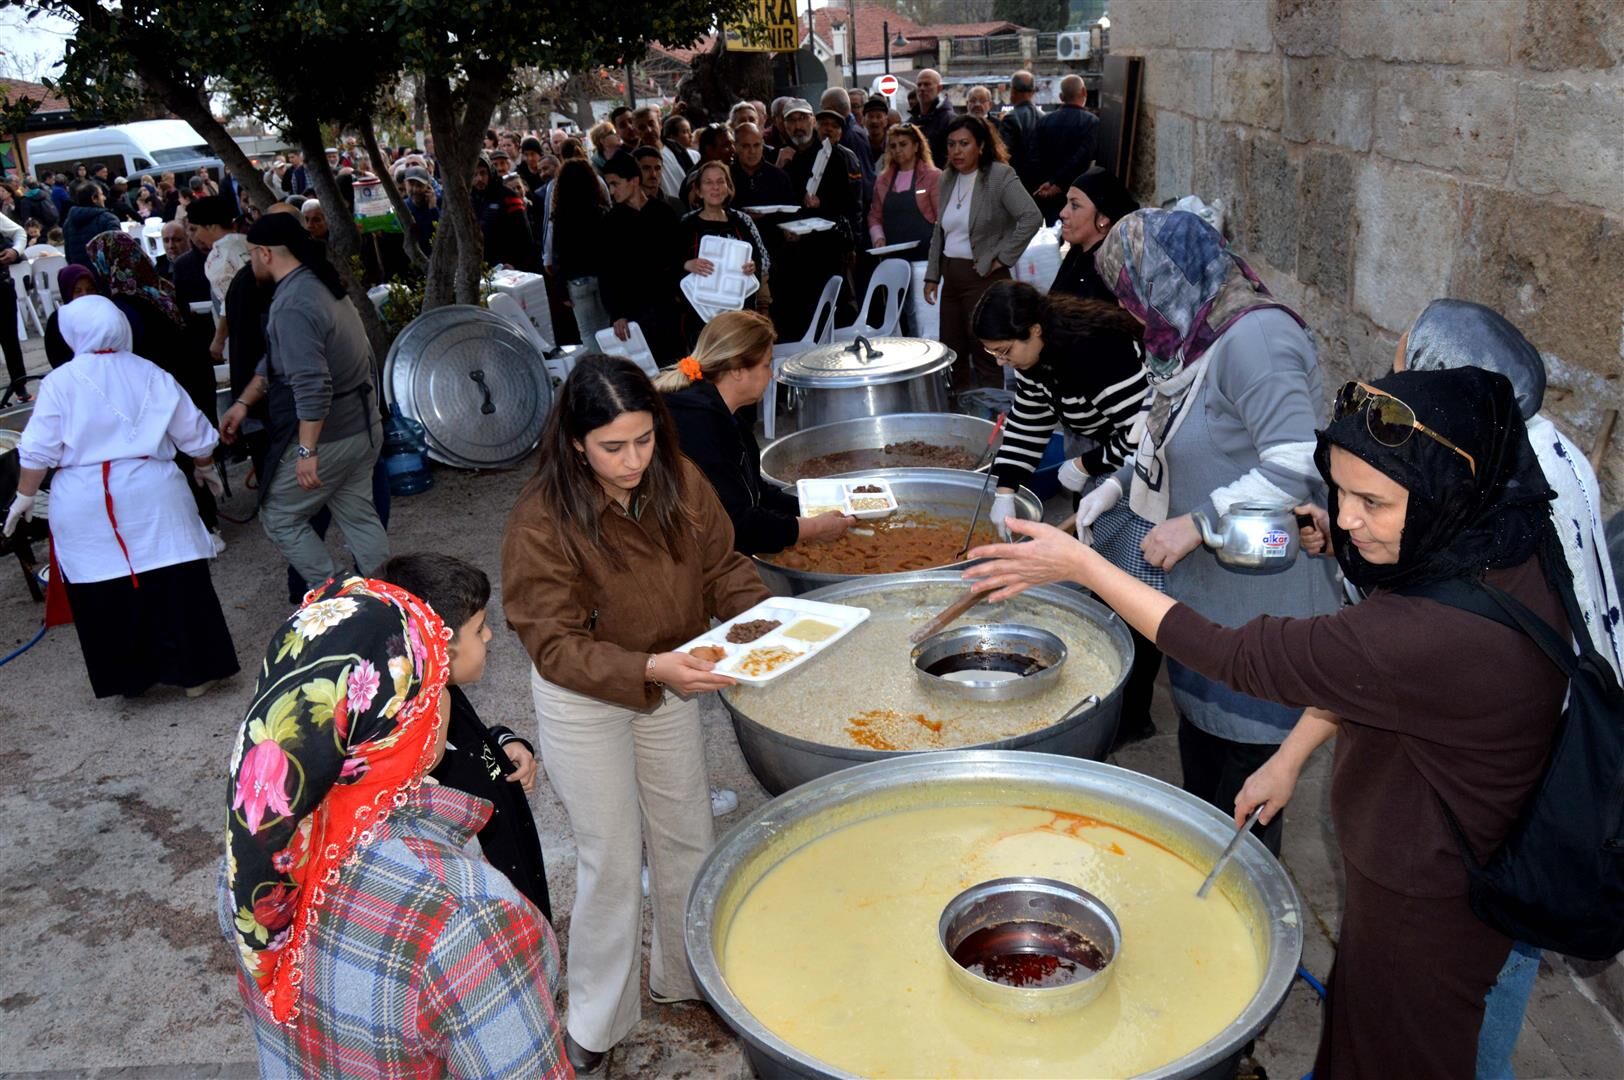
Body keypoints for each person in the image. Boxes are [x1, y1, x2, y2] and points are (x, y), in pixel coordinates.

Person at [501, 355, 771, 1073]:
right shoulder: (543, 516)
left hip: (668, 676)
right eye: (612, 447)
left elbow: (723, 566)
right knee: (611, 856)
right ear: (575, 443)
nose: (631, 461)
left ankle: (685, 978)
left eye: (644, 440)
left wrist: (768, 624)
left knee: (688, 831)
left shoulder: (678, 480)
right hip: (588, 692)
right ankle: (596, 1016)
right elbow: (551, 640)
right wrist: (648, 668)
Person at [220, 576, 569, 1077]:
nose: (445, 695)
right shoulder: (468, 917)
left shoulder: (252, 861)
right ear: (404, 725)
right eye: (434, 684)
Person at [1076, 208, 1341, 852]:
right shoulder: (1187, 337)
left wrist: (1194, 523)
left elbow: (1295, 461)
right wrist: (1114, 485)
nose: (1136, 314)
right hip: (1206, 595)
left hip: (1261, 595)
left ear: (1166, 278)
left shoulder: (1256, 340)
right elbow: (1160, 428)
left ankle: (1253, 924)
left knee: (1245, 799)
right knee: (1203, 775)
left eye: (1135, 296)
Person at [5, 296, 238, 698]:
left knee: (103, 588)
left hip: (83, 499)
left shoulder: (59, 382)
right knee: (174, 581)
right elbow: (196, 434)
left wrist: (25, 495)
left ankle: (131, 679)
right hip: (152, 489)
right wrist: (203, 466)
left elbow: (38, 450)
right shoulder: (151, 372)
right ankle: (196, 672)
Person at [220, 212, 389, 588]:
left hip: (333, 436)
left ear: (265, 253)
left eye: (250, 256)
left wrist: (306, 451)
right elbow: (280, 360)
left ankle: (339, 597)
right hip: (364, 425)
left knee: (279, 515)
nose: (250, 264)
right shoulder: (320, 283)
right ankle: (388, 599)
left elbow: (313, 384)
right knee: (358, 515)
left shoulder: (294, 301)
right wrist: (244, 402)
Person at [380, 553, 553, 920]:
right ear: (436, 645)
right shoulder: (419, 757)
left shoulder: (442, 695)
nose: (489, 635)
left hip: (519, 886)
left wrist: (505, 742)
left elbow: (473, 746)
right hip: (493, 919)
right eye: (479, 629)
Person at [658, 310, 852, 554]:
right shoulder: (697, 425)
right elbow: (738, 526)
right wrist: (813, 528)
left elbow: (756, 494)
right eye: (766, 364)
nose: (771, 374)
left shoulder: (725, 414)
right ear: (738, 369)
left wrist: (821, 507)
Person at [85, 230, 222, 537]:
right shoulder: (159, 286)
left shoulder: (123, 303)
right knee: (192, 449)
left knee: (174, 458)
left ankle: (200, 526)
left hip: (160, 386)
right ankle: (209, 521)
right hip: (192, 376)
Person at [923, 115, 1042, 391]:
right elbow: (940, 231)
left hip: (984, 275)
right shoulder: (947, 179)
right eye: (951, 144)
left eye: (964, 144)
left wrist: (1002, 258)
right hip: (951, 276)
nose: (956, 151)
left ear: (981, 145)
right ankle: (959, 416)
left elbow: (1031, 217)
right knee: (951, 353)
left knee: (986, 351)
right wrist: (932, 275)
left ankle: (992, 419)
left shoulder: (999, 176)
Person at [597, 153, 683, 365]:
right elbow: (607, 273)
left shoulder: (664, 213)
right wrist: (617, 313)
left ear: (634, 181)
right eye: (609, 185)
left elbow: (677, 258)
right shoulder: (610, 222)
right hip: (632, 313)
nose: (612, 191)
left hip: (666, 309)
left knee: (673, 369)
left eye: (615, 183)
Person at [676, 162, 769, 339]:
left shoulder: (741, 222)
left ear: (728, 187)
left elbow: (758, 260)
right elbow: (670, 265)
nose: (715, 188)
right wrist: (687, 264)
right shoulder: (687, 226)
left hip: (739, 314)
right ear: (698, 190)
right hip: (701, 316)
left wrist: (752, 267)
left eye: (720, 181)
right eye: (708, 183)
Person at [547, 158, 612, 343]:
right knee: (607, 329)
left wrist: (561, 291)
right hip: (601, 277)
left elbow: (558, 255)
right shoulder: (601, 213)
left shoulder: (561, 217)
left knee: (588, 333)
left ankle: (598, 369)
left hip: (576, 281)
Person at [1050, 166, 1139, 298]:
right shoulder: (1077, 255)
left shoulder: (1107, 272)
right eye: (1067, 203)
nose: (1063, 213)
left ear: (1103, 218)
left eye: (1075, 206)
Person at [1032, 74, 1098, 224]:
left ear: (1061, 97)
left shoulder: (1044, 121)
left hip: (1048, 193)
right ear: (1084, 92)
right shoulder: (1091, 122)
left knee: (1053, 236)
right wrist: (1060, 184)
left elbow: (1034, 156)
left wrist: (1048, 183)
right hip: (1078, 192)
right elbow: (1083, 156)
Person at [43, 264, 99, 369]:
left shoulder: (104, 313)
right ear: (67, 292)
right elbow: (57, 361)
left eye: (90, 289)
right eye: (78, 291)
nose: (85, 295)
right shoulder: (57, 321)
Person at [62, 182, 120, 267]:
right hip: (106, 274)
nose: (104, 198)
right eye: (101, 195)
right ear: (94, 198)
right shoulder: (108, 219)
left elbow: (69, 256)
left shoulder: (68, 223)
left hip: (83, 276)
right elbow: (118, 250)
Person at [0, 211, 26, 401]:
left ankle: (20, 386)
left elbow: (19, 232)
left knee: (10, 338)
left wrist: (15, 250)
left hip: (1, 285)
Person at [910, 68, 955, 167]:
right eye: (919, 85)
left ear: (939, 88)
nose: (922, 88)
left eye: (927, 84)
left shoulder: (949, 120)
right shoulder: (911, 122)